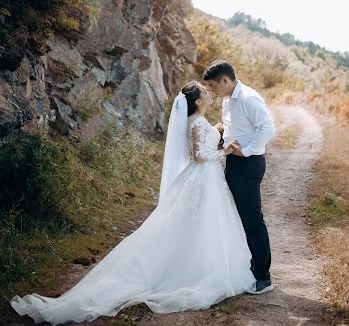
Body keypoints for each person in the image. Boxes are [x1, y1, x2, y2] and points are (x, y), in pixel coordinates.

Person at [10, 81, 257, 325]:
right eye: (205, 91)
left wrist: (215, 130)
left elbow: (203, 143)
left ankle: (206, 265)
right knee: (197, 223)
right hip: (202, 178)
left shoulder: (199, 121)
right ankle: (196, 271)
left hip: (207, 180)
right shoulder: (194, 123)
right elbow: (199, 156)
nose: (209, 92)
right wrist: (223, 152)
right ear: (197, 101)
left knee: (205, 224)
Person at [203, 59, 276, 294]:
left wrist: (246, 150)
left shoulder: (248, 98)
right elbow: (236, 128)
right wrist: (221, 137)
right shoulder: (228, 100)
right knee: (237, 217)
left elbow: (267, 128)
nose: (213, 91)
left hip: (249, 163)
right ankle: (247, 269)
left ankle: (263, 277)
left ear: (226, 80)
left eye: (214, 86)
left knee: (252, 220)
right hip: (234, 162)